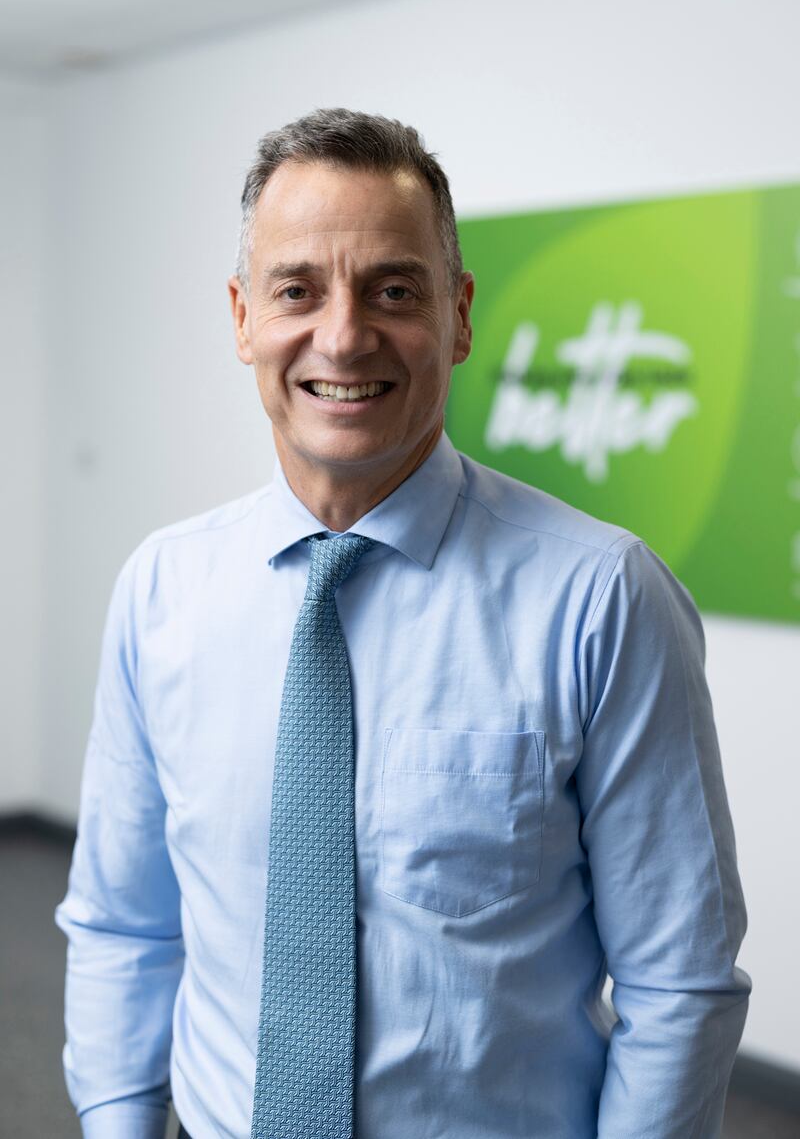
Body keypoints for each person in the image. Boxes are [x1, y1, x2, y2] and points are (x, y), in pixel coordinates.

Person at [56, 108, 750, 1139]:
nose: (342, 335)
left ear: (458, 316)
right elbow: (122, 922)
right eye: (297, 290)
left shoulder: (600, 599)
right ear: (242, 316)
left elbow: (677, 982)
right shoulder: (163, 591)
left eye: (392, 289)